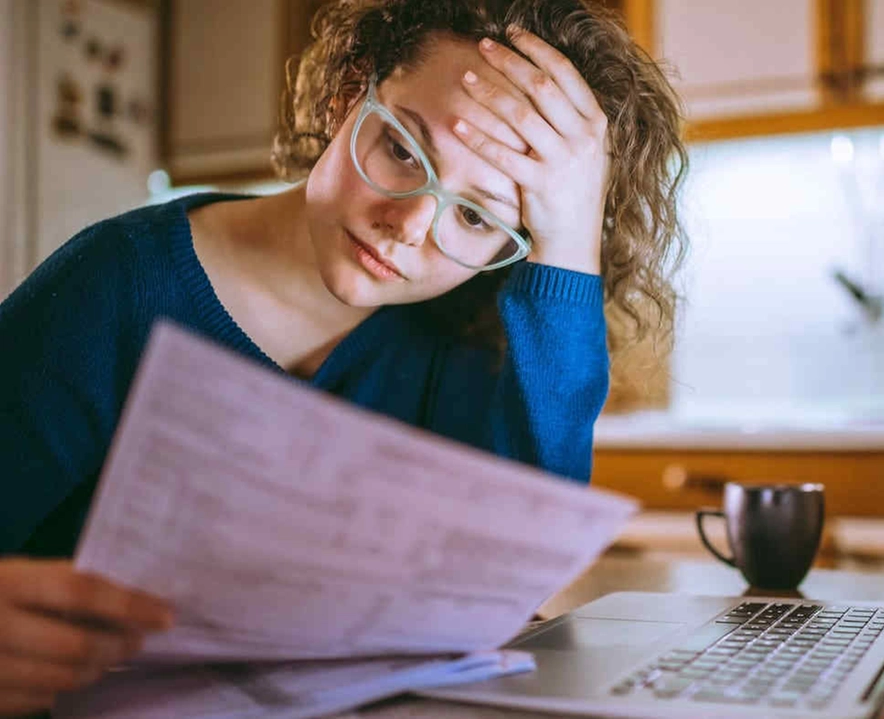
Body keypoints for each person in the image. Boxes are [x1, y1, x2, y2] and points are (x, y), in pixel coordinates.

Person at [0, 0, 687, 713]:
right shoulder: (116, 284)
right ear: (345, 94)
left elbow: (510, 582)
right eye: (401, 148)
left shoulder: (465, 340)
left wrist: (571, 244)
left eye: (476, 216)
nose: (408, 227)